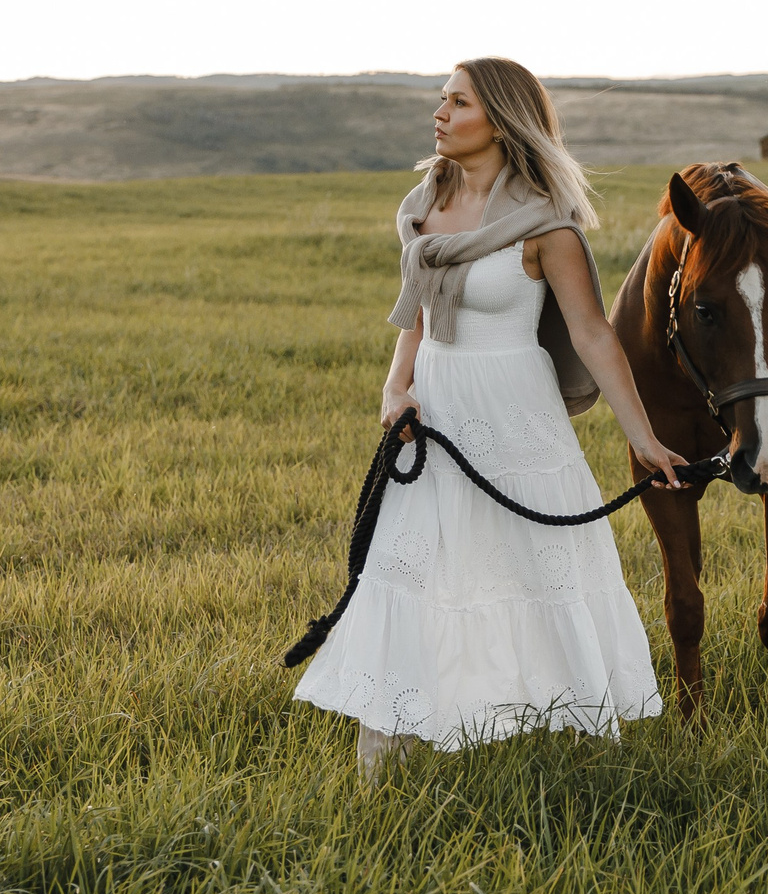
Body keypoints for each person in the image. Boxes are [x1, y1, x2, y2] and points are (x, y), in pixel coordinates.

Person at [292, 56, 690, 778]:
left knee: (539, 575)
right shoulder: (422, 206)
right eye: (440, 100)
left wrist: (644, 438)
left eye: (457, 102)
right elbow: (417, 315)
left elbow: (594, 333)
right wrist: (395, 389)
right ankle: (385, 765)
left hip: (518, 419)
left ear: (501, 119)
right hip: (436, 418)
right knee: (408, 574)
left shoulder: (545, 224)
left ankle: (580, 758)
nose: (439, 113)